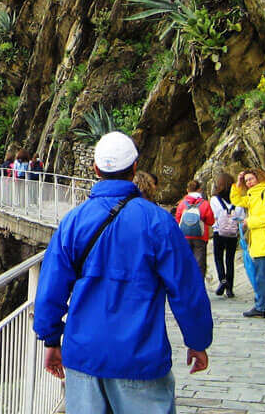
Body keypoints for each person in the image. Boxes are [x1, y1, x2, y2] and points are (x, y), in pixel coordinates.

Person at [33, 131, 212, 413]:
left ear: (95, 170)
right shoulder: (158, 222)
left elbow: (50, 290)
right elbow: (186, 290)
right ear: (135, 168)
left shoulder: (73, 222)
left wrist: (51, 339)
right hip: (140, 357)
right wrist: (198, 341)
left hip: (84, 356)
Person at [231, 168, 265, 317]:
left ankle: (260, 307)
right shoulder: (252, 195)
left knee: (261, 275)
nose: (249, 183)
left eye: (251, 179)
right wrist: (238, 183)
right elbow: (237, 200)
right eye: (246, 181)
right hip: (259, 241)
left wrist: (250, 222)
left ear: (259, 178)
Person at [176, 179, 215, 281]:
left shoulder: (182, 204)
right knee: (200, 263)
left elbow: (178, 219)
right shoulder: (205, 203)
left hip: (184, 236)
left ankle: (187, 287)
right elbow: (211, 221)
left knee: (186, 262)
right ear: (199, 190)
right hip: (200, 236)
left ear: (187, 190)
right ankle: (199, 287)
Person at [208, 172, 239, 298]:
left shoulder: (215, 199)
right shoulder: (237, 199)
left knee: (218, 257)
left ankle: (222, 280)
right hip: (232, 233)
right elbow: (240, 216)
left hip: (218, 232)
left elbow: (214, 216)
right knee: (230, 259)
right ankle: (230, 289)